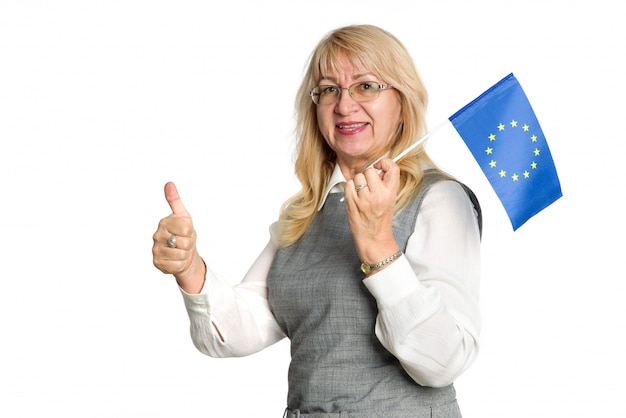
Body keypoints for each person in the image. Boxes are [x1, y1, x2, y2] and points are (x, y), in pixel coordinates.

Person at [153, 24, 482, 418]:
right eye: (329, 89)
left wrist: (378, 245)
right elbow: (243, 328)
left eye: (366, 86)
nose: (344, 105)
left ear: (402, 101)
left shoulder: (440, 200)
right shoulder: (307, 212)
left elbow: (443, 361)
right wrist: (190, 268)